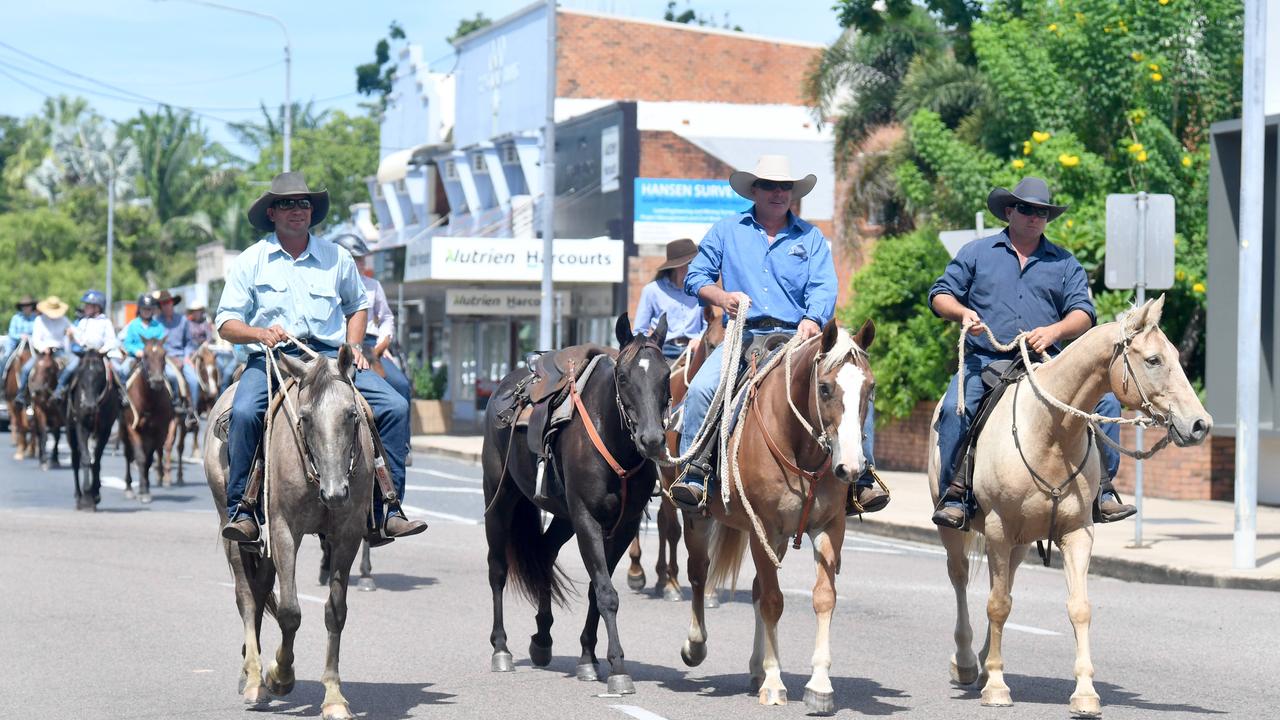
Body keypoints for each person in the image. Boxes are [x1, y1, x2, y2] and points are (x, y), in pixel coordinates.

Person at [667, 155, 889, 514]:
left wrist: (813, 318)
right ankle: (696, 474)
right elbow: (696, 278)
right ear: (754, 190)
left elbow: (823, 286)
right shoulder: (727, 230)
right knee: (703, 390)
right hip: (744, 337)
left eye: (785, 187)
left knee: (856, 385)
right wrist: (723, 298)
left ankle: (862, 478)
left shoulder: (811, 237)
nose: (778, 193)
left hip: (799, 340)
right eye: (770, 186)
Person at [216, 171, 426, 543]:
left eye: (303, 203)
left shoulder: (337, 257)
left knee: (394, 406)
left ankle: (386, 510)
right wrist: (260, 332)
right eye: (286, 204)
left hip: (328, 358)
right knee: (246, 412)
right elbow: (226, 323)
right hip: (274, 360)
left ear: (311, 212)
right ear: (272, 213)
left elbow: (358, 306)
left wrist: (355, 346)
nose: (296, 210)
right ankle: (243, 509)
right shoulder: (253, 260)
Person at [929, 176, 1134, 529]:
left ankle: (1102, 493)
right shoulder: (977, 253)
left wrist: (1054, 331)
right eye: (1026, 209)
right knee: (952, 409)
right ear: (1010, 211)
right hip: (986, 360)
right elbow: (939, 295)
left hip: (1046, 365)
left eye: (1042, 212)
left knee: (1107, 404)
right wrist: (963, 313)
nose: (1034, 217)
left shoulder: (1065, 263)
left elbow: (1084, 313)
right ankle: (955, 494)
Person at [332, 234, 412, 404]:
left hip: (370, 345)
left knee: (401, 384)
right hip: (336, 344)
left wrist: (383, 343)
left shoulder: (373, 285)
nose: (362, 264)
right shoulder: (329, 284)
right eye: (356, 259)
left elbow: (386, 317)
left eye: (362, 259)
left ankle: (398, 431)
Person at [634, 238, 706, 360]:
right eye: (692, 263)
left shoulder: (701, 290)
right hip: (662, 351)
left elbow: (707, 324)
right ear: (679, 267)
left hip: (696, 350)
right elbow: (640, 331)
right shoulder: (652, 290)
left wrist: (699, 339)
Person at [53, 290, 121, 400]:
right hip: (84, 354)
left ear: (97, 307)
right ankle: (60, 389)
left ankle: (121, 394)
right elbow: (80, 339)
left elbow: (111, 341)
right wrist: (72, 336)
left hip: (100, 355)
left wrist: (103, 350)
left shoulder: (105, 322)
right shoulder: (83, 321)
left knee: (118, 370)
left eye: (88, 305)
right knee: (71, 367)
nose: (85, 308)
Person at [154, 290, 202, 428]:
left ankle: (193, 410)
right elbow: (156, 345)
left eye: (168, 302)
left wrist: (187, 357)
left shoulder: (183, 320)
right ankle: (175, 403)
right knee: (171, 375)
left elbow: (189, 342)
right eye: (163, 303)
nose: (166, 306)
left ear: (172, 303)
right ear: (160, 306)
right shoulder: (156, 323)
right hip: (165, 358)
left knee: (194, 379)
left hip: (182, 356)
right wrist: (168, 357)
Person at [15, 295, 71, 411]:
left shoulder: (64, 320)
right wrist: (43, 347)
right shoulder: (39, 320)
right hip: (43, 352)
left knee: (70, 369)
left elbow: (73, 331)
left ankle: (62, 392)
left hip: (59, 351)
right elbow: (36, 339)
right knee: (26, 369)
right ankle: (21, 395)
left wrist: (72, 333)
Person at [119, 293, 168, 381]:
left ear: (153, 310)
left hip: (155, 358)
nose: (146, 311)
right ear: (139, 309)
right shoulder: (133, 325)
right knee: (122, 371)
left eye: (149, 309)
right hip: (135, 357)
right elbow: (127, 343)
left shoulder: (158, 326)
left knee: (172, 375)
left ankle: (174, 394)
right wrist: (136, 351)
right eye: (144, 309)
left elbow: (162, 345)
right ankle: (122, 393)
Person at [2, 295, 38, 373]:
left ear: (32, 306)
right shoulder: (16, 318)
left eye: (28, 305)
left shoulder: (35, 318)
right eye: (24, 306)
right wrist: (20, 336)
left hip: (32, 344)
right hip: (15, 344)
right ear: (21, 307)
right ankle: (1, 379)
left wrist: (30, 337)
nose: (26, 307)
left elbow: (38, 332)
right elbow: (12, 333)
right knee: (5, 358)